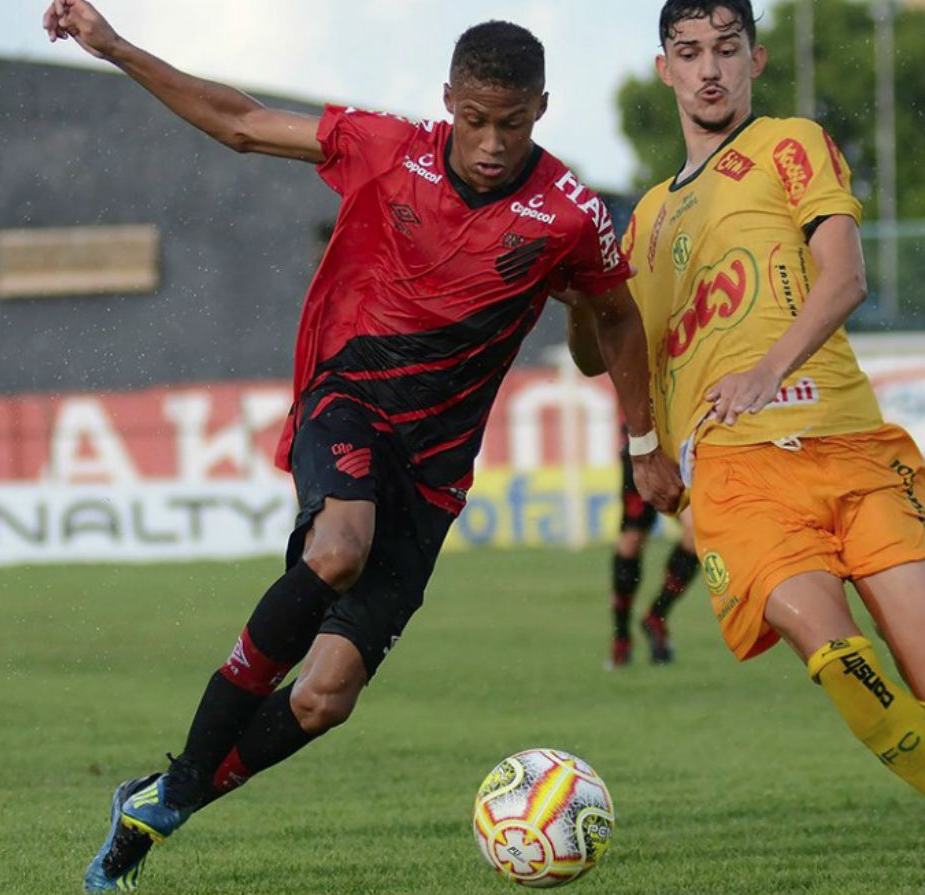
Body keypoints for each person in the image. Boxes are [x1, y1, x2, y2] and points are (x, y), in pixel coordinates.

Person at [42, 2, 684, 891]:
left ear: (541, 109)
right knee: (338, 547)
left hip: (433, 475)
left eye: (512, 123)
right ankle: (182, 780)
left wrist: (644, 439)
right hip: (349, 398)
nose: (492, 142)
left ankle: (160, 803)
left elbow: (612, 319)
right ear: (448, 101)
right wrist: (113, 46)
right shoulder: (387, 147)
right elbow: (240, 124)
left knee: (323, 695)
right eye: (475, 119)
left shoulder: (570, 215)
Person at [602, 0, 925, 795]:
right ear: (665, 69)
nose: (709, 68)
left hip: (854, 445)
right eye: (689, 52)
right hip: (738, 474)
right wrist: (641, 443)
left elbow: (846, 277)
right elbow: (604, 348)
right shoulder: (644, 220)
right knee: (841, 660)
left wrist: (768, 369)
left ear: (756, 58)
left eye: (726, 48)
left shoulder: (791, 144)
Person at [607, 429, 699, 667]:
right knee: (632, 539)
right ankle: (621, 636)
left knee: (697, 531)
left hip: (681, 444)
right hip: (643, 447)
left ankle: (657, 614)